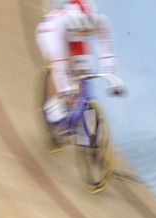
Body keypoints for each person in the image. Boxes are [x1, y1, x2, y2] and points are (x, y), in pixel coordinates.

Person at [36, 0, 126, 142]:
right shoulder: (59, 24)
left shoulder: (100, 21)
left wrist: (113, 78)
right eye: (82, 31)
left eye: (87, 31)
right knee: (63, 67)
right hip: (51, 34)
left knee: (83, 70)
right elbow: (59, 63)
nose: (85, 34)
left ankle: (80, 115)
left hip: (74, 36)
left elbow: (107, 51)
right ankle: (54, 105)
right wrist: (65, 89)